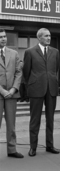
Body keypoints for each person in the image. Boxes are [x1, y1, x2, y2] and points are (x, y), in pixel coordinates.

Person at [23, 28, 60, 157]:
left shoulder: (55, 52)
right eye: (46, 36)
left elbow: (55, 70)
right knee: (35, 120)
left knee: (50, 119)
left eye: (50, 36)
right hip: (36, 89)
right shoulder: (30, 52)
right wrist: (31, 85)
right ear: (39, 38)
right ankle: (33, 147)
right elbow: (26, 72)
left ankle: (50, 145)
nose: (49, 38)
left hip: (51, 89)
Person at [0, 29, 23, 158]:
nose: (3, 39)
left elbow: (18, 73)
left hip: (11, 94)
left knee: (11, 124)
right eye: (0, 37)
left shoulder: (14, 53)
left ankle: (12, 150)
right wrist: (3, 91)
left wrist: (13, 89)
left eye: (4, 37)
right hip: (1, 93)